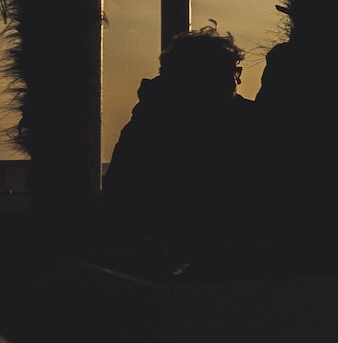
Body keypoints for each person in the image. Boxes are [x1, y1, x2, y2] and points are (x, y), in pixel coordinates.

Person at [100, 27, 258, 265]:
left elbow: (118, 197)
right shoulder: (244, 121)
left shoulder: (146, 124)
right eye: (232, 71)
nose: (238, 79)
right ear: (205, 76)